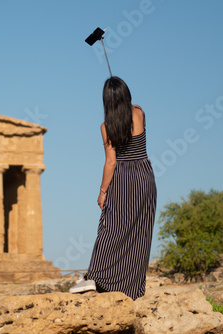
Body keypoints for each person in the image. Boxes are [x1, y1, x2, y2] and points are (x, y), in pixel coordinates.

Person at [69, 76, 157, 300]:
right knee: (139, 232)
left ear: (106, 100)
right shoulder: (139, 113)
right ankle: (132, 288)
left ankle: (97, 278)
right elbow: (133, 110)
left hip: (123, 179)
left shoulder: (106, 127)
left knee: (110, 228)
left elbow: (111, 162)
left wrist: (102, 192)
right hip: (144, 176)